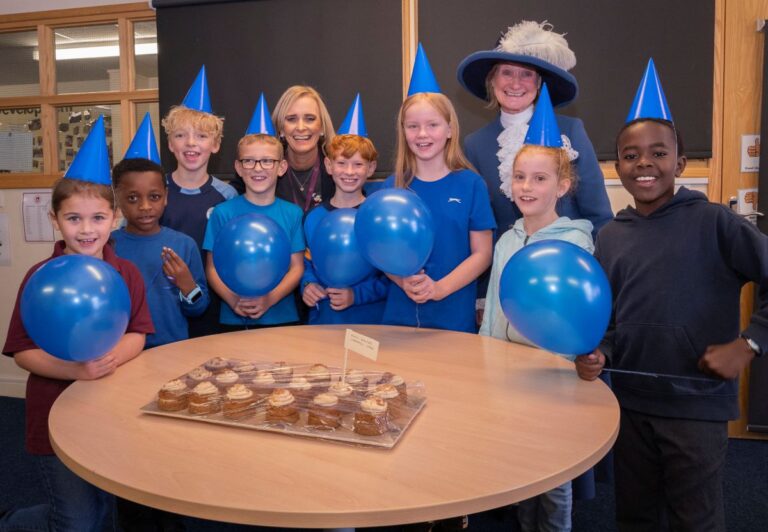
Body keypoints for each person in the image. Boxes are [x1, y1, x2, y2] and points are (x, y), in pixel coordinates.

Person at [575, 62, 768, 531]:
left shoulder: (716, 224)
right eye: (630, 155)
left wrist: (749, 344)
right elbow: (613, 319)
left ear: (680, 163)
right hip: (632, 400)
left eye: (658, 153)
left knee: (694, 518)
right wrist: (599, 351)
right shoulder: (611, 238)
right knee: (636, 513)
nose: (644, 163)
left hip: (697, 406)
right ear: (616, 165)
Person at [0, 117, 153, 532]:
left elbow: (138, 333)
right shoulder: (40, 278)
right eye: (74, 219)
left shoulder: (127, 275)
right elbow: (22, 351)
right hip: (54, 412)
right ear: (55, 220)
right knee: (75, 520)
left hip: (110, 408)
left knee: (103, 509)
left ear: (115, 218)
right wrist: (74, 370)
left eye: (98, 218)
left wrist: (108, 360)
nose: (87, 230)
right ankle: (13, 522)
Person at [480, 86, 593, 532]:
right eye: (520, 177)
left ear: (562, 186)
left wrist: (566, 366)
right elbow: (493, 306)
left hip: (553, 377)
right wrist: (484, 358)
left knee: (553, 475)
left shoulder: (575, 243)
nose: (527, 187)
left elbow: (576, 312)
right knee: (519, 465)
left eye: (540, 178)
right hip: (508, 371)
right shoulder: (507, 240)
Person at [383, 47, 496, 334]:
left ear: (449, 130)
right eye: (413, 126)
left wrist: (439, 289)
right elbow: (378, 250)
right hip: (400, 318)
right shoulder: (391, 188)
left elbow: (482, 253)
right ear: (403, 131)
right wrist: (402, 280)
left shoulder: (471, 184)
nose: (422, 134)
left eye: (432, 125)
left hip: (453, 317)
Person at [159, 68, 237, 338]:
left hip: (214, 307)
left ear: (215, 145)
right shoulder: (156, 194)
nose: (191, 143)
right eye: (181, 135)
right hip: (164, 306)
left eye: (202, 136)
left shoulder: (227, 196)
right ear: (170, 143)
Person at [203, 133, 305, 331]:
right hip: (233, 318)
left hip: (282, 317)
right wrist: (233, 301)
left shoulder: (293, 213)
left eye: (267, 161)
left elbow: (297, 268)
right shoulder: (222, 213)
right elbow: (212, 268)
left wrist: (269, 299)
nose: (258, 168)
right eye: (249, 161)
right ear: (239, 168)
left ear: (281, 167)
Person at [112, 157, 210, 348]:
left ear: (166, 197)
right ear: (117, 198)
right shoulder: (108, 247)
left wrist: (187, 286)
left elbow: (199, 307)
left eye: (154, 197)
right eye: (133, 198)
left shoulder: (184, 245)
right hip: (121, 352)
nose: (145, 206)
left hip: (172, 350)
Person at [302, 128, 388, 325]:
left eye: (358, 164)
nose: (349, 172)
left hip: (370, 324)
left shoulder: (379, 217)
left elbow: (390, 277)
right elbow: (307, 264)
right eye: (341, 163)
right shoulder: (313, 217)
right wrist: (307, 285)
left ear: (371, 167)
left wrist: (356, 295)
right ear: (328, 165)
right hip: (323, 320)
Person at [272, 85, 336, 214]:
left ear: (322, 127)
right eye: (291, 119)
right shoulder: (263, 168)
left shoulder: (340, 169)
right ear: (281, 129)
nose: (301, 127)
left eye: (310, 119)